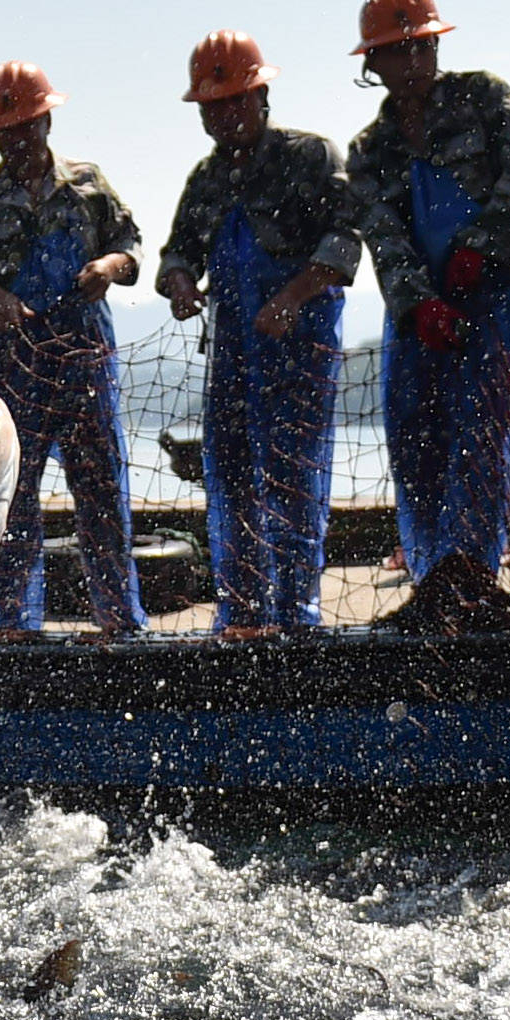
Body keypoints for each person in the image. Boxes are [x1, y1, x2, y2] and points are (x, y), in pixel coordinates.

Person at [0, 62, 145, 632]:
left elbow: (131, 248)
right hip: (13, 369)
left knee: (102, 492)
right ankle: (16, 620)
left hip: (86, 362)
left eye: (24, 126)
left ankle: (120, 618)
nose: (15, 140)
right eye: (4, 130)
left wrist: (107, 268)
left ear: (45, 122)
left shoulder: (88, 184)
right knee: (10, 502)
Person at [342, 0, 510, 619]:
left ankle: (472, 575)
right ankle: (432, 570)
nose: (410, 63)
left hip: (496, 290)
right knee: (413, 432)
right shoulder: (368, 149)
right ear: (371, 65)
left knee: (477, 429)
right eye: (394, 53)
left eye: (420, 48)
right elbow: (380, 234)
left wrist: (481, 250)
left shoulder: (485, 98)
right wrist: (419, 303)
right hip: (419, 304)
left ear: (436, 46)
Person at [158, 32, 363, 634]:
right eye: (211, 106)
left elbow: (347, 239)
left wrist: (292, 296)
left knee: (295, 476)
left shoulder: (312, 156)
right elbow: (178, 251)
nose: (223, 115)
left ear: (262, 95)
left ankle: (297, 613)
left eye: (234, 101)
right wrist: (178, 286)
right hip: (234, 350)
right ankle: (243, 612)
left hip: (300, 345)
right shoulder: (206, 177)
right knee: (231, 477)